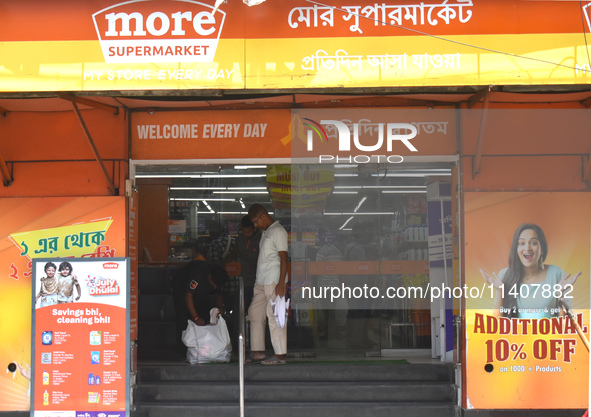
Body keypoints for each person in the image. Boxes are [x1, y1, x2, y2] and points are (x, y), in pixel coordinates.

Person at [480, 223, 581, 318]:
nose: (527, 248)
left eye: (533, 243)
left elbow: (565, 324)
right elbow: (495, 325)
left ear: (542, 249)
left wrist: (561, 295)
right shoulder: (505, 275)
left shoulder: (556, 274)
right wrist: (500, 291)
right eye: (522, 243)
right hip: (514, 337)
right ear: (516, 249)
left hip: (547, 336)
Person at [247, 204, 288, 365]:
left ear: (263, 216)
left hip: (273, 281)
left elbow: (284, 258)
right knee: (254, 313)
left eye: (256, 222)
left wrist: (281, 284)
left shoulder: (278, 231)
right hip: (261, 281)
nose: (255, 226)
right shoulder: (267, 232)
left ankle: (280, 355)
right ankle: (258, 352)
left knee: (275, 315)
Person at [171, 260, 228, 355]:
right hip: (181, 288)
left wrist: (220, 309)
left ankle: (204, 351)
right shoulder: (198, 274)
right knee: (183, 318)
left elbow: (219, 293)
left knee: (205, 315)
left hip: (200, 293)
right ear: (209, 277)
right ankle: (182, 354)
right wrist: (195, 317)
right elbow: (188, 296)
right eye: (213, 284)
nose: (214, 286)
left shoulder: (218, 275)